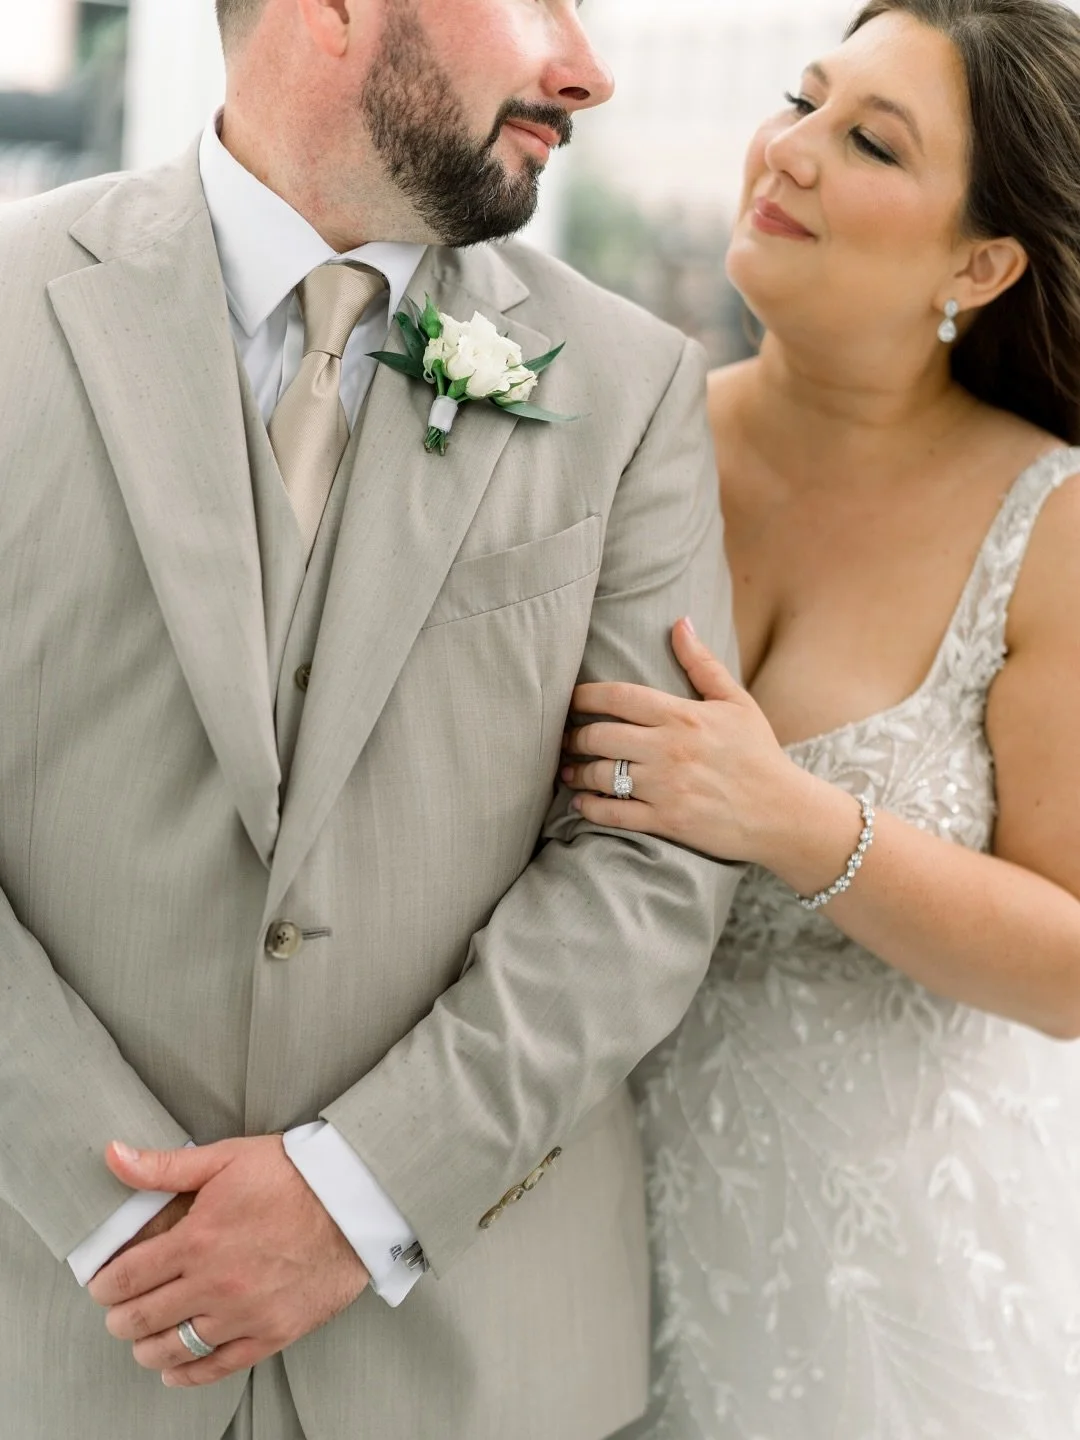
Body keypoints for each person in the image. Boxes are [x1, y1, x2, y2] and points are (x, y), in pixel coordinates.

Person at [0, 2, 743, 1437]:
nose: (588, 66)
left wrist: (359, 1193)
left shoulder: (634, 385)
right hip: (49, 1343)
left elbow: (651, 861)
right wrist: (114, 1213)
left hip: (474, 1363)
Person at [563, 1, 1080, 1434]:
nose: (785, 152)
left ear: (979, 261)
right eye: (799, 99)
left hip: (896, 1295)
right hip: (587, 1252)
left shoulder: (1052, 521)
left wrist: (796, 823)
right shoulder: (616, 453)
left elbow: (1071, 966)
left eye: (867, 140)